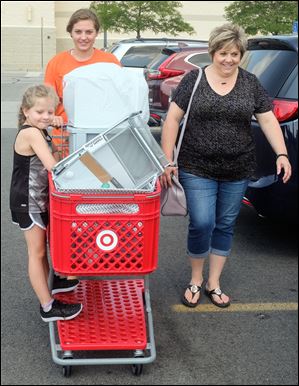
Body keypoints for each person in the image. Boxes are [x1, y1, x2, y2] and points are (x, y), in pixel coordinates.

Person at [160, 23, 292, 308]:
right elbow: (171, 119)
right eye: (223, 53)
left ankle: (213, 283)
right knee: (202, 222)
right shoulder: (193, 79)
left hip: (238, 168)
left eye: (234, 53)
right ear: (212, 52)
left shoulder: (250, 82)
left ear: (241, 54)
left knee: (225, 224)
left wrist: (281, 153)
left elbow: (268, 119)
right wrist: (168, 159)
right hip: (196, 166)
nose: (229, 59)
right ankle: (195, 279)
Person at [9, 84, 83, 322]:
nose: (46, 117)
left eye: (50, 112)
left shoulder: (41, 131)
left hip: (38, 198)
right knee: (37, 252)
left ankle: (52, 285)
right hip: (27, 201)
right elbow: (53, 166)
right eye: (39, 112)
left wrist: (54, 127)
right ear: (26, 111)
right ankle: (48, 306)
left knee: (42, 251)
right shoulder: (30, 133)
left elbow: (55, 157)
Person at [44, 8, 121, 157]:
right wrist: (52, 116)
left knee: (101, 178)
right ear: (71, 33)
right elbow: (47, 102)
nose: (83, 37)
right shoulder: (56, 63)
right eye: (78, 32)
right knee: (66, 179)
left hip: (100, 140)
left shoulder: (110, 61)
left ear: (96, 33)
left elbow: (119, 99)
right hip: (64, 140)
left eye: (89, 32)